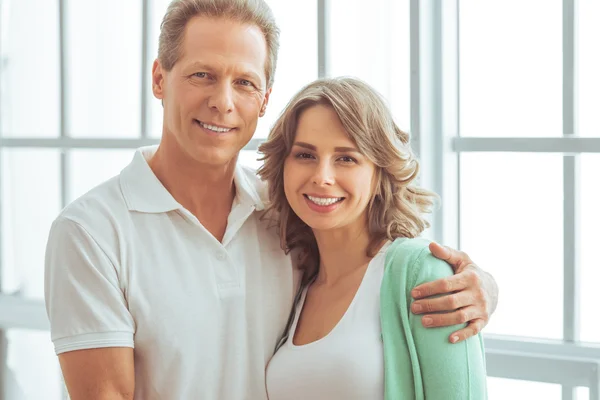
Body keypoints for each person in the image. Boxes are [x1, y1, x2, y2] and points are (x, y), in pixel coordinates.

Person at [43, 1, 496, 399]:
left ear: (264, 100)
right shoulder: (91, 232)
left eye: (244, 83)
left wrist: (483, 288)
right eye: (202, 75)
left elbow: (377, 269)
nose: (222, 102)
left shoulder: (285, 212)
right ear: (160, 78)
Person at [261, 77, 487, 399]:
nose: (322, 177)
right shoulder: (297, 279)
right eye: (305, 155)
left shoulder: (422, 273)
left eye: (346, 158)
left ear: (379, 172)